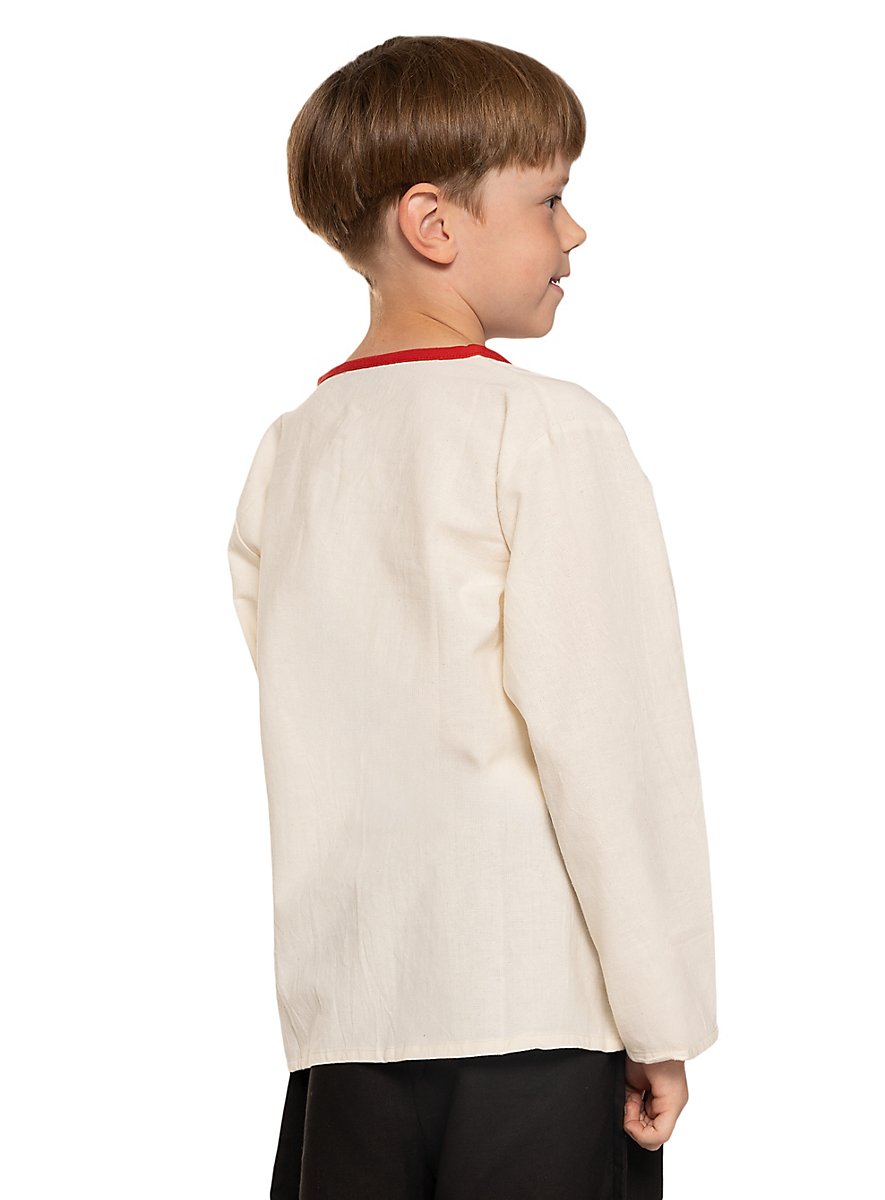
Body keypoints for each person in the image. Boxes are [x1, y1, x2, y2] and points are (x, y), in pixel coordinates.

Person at [228, 35, 718, 1200]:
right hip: (531, 1020)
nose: (574, 232)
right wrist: (661, 1017)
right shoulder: (544, 430)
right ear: (434, 223)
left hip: (349, 1032)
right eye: (549, 199)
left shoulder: (291, 456)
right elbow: (613, 746)